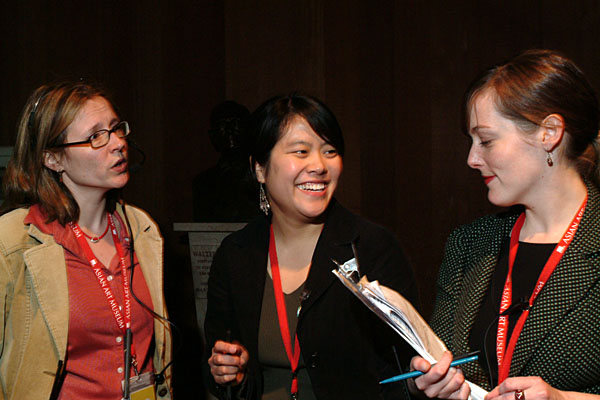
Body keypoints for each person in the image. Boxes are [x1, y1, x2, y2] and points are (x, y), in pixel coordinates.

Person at [410, 50, 600, 400]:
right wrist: (428, 383)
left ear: (549, 133)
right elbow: (435, 363)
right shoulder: (469, 244)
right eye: (471, 142)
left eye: (486, 141)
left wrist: (563, 399)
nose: (472, 159)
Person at [204, 93, 418, 399]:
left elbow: (406, 369)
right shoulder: (235, 254)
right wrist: (228, 373)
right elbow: (215, 367)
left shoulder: (372, 248)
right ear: (260, 168)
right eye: (301, 152)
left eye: (330, 151)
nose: (319, 165)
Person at [0, 82, 172, 399]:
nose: (118, 143)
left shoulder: (141, 228)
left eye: (116, 129)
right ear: (53, 159)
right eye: (95, 136)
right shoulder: (12, 241)